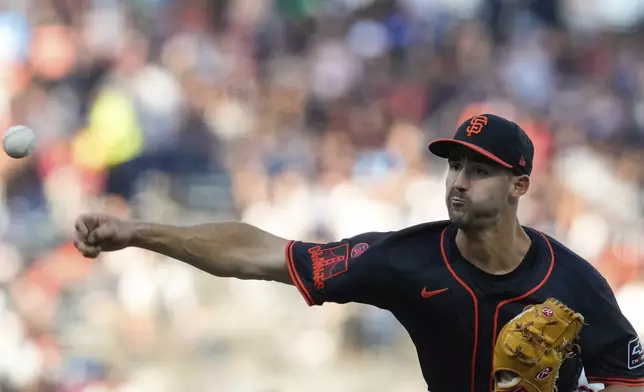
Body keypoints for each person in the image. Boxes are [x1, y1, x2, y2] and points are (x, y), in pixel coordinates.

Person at [74, 114, 644, 392]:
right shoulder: (406, 260)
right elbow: (262, 254)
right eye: (453, 166)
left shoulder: (574, 281)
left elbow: (627, 382)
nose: (458, 182)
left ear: (519, 185)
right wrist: (137, 232)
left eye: (479, 170)